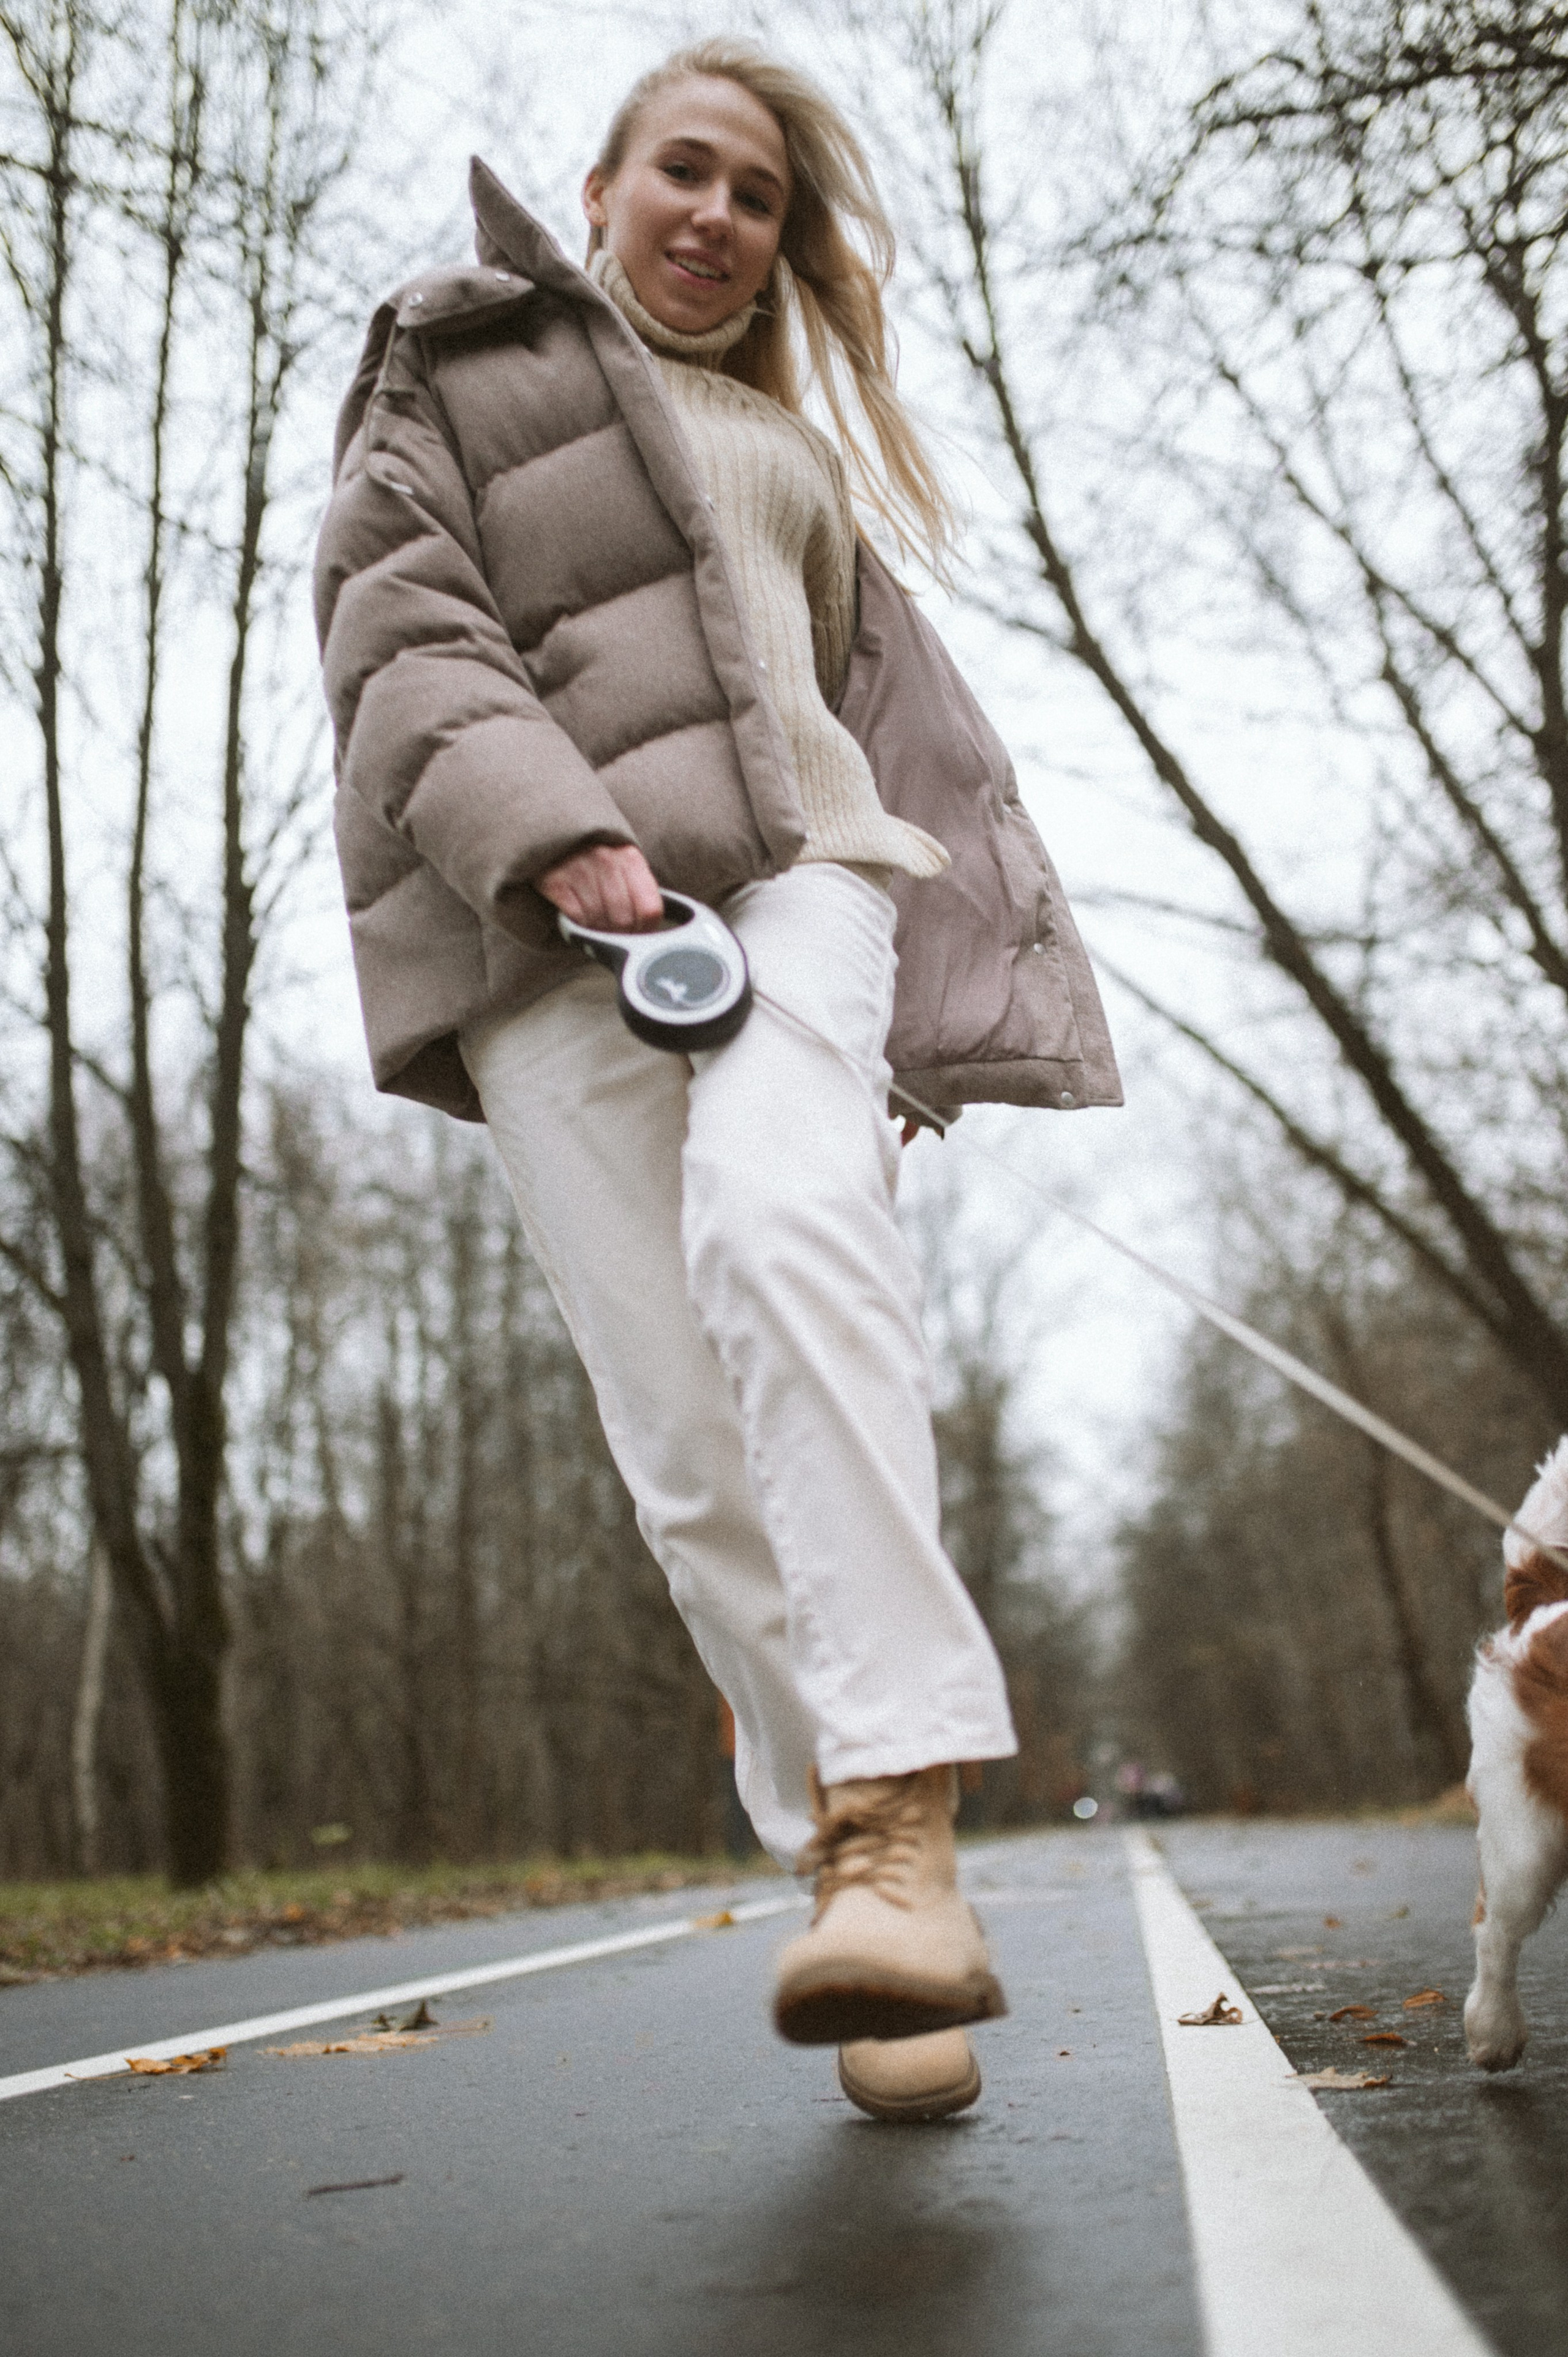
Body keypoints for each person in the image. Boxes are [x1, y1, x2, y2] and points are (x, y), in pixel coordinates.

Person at [314, 38, 1120, 2125]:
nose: (719, 216)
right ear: (597, 189)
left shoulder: (793, 455)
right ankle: (846, 1873)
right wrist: (554, 831)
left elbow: (876, 743)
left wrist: (919, 1028)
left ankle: (902, 1826)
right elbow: (403, 635)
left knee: (785, 1222)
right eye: (687, 171)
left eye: (759, 196)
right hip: (548, 931)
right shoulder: (451, 361)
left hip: (791, 893)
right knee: (684, 1444)